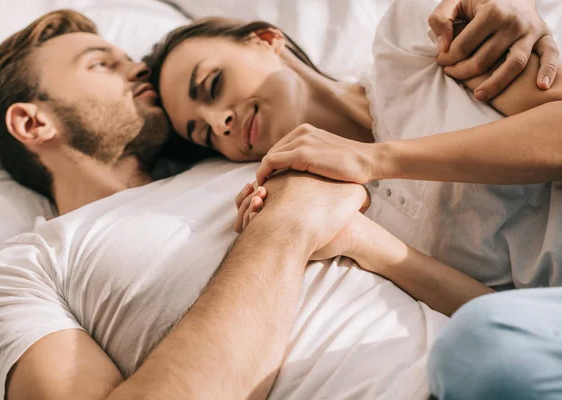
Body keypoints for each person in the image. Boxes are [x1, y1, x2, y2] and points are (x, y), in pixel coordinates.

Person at [149, 0, 562, 398]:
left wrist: (376, 158)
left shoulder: (413, 42)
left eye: (213, 85)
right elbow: (506, 322)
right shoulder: (345, 205)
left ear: (265, 39)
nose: (217, 123)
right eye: (203, 136)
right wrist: (360, 240)